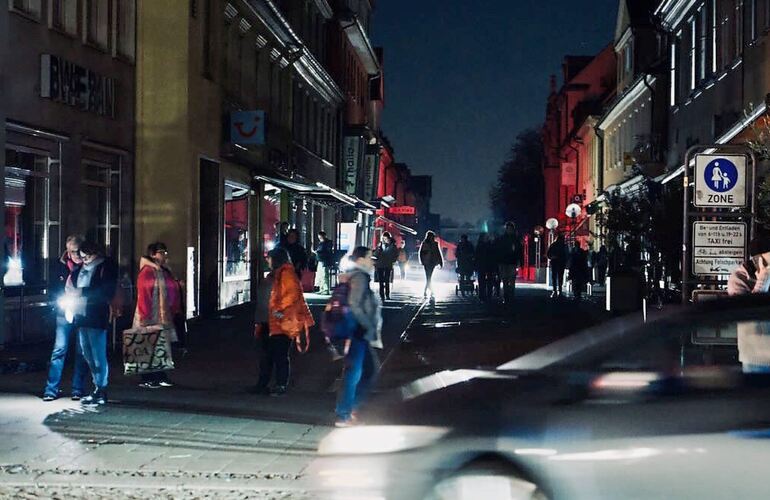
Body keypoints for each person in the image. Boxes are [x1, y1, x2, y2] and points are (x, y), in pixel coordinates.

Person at [335, 246, 383, 427]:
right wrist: (367, 325)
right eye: (370, 257)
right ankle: (346, 412)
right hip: (357, 331)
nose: (373, 261)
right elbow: (354, 304)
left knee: (362, 371)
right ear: (361, 259)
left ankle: (349, 410)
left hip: (355, 331)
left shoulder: (354, 276)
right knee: (359, 372)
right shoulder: (360, 277)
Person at [43, 235, 90, 401]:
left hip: (81, 311)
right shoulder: (60, 265)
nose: (75, 255)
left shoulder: (87, 265)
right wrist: (56, 301)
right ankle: (51, 389)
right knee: (59, 349)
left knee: (81, 350)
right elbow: (54, 286)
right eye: (72, 252)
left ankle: (78, 388)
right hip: (64, 311)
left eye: (77, 252)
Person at [70, 241, 117, 406]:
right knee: (87, 353)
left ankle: (101, 388)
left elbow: (106, 291)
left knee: (98, 354)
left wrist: (82, 292)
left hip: (97, 314)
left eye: (87, 256)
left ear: (95, 253)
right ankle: (97, 386)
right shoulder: (80, 270)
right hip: (81, 314)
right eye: (82, 257)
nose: (84, 260)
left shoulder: (105, 267)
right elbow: (72, 284)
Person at [262, 248, 315, 396]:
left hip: (284, 320)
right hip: (280, 320)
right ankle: (277, 383)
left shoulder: (286, 274)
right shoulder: (281, 273)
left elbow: (291, 295)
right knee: (276, 353)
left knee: (280, 354)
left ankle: (281, 385)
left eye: (269, 258)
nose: (267, 260)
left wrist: (277, 310)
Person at [134, 242, 182, 389]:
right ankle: (148, 378)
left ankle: (159, 376)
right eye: (161, 252)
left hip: (161, 315)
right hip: (151, 315)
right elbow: (144, 293)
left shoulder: (163, 270)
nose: (164, 255)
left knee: (159, 346)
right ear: (153, 254)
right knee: (149, 346)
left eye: (165, 252)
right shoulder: (148, 271)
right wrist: (144, 314)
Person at [495, 222, 522, 305]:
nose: (509, 230)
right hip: (504, 262)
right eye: (508, 228)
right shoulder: (504, 239)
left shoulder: (515, 239)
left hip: (511, 262)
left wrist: (519, 261)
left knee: (511, 280)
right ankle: (506, 297)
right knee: (505, 280)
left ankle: (510, 297)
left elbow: (519, 251)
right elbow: (498, 251)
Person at [373, 232, 399, 301]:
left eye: (386, 238)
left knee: (387, 280)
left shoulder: (392, 246)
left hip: (387, 264)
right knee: (381, 282)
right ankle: (382, 296)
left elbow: (395, 254)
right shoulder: (380, 245)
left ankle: (387, 294)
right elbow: (375, 254)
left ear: (389, 238)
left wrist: (392, 260)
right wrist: (378, 251)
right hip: (380, 265)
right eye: (384, 238)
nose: (385, 240)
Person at [419, 231, 443, 299]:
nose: (432, 238)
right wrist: (422, 261)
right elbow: (421, 253)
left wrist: (441, 262)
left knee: (429, 277)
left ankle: (427, 290)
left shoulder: (435, 244)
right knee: (428, 277)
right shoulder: (424, 243)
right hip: (426, 262)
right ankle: (429, 290)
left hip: (432, 262)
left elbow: (438, 253)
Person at [475, 233, 496, 301]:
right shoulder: (484, 245)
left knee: (487, 281)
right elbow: (477, 256)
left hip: (487, 265)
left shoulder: (488, 245)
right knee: (483, 281)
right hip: (483, 265)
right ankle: (483, 295)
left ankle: (486, 295)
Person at [547, 233, 567, 298]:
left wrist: (552, 257)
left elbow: (548, 254)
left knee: (554, 277)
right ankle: (559, 291)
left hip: (555, 262)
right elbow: (566, 254)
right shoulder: (564, 245)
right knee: (560, 277)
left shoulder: (553, 245)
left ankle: (554, 290)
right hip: (561, 263)